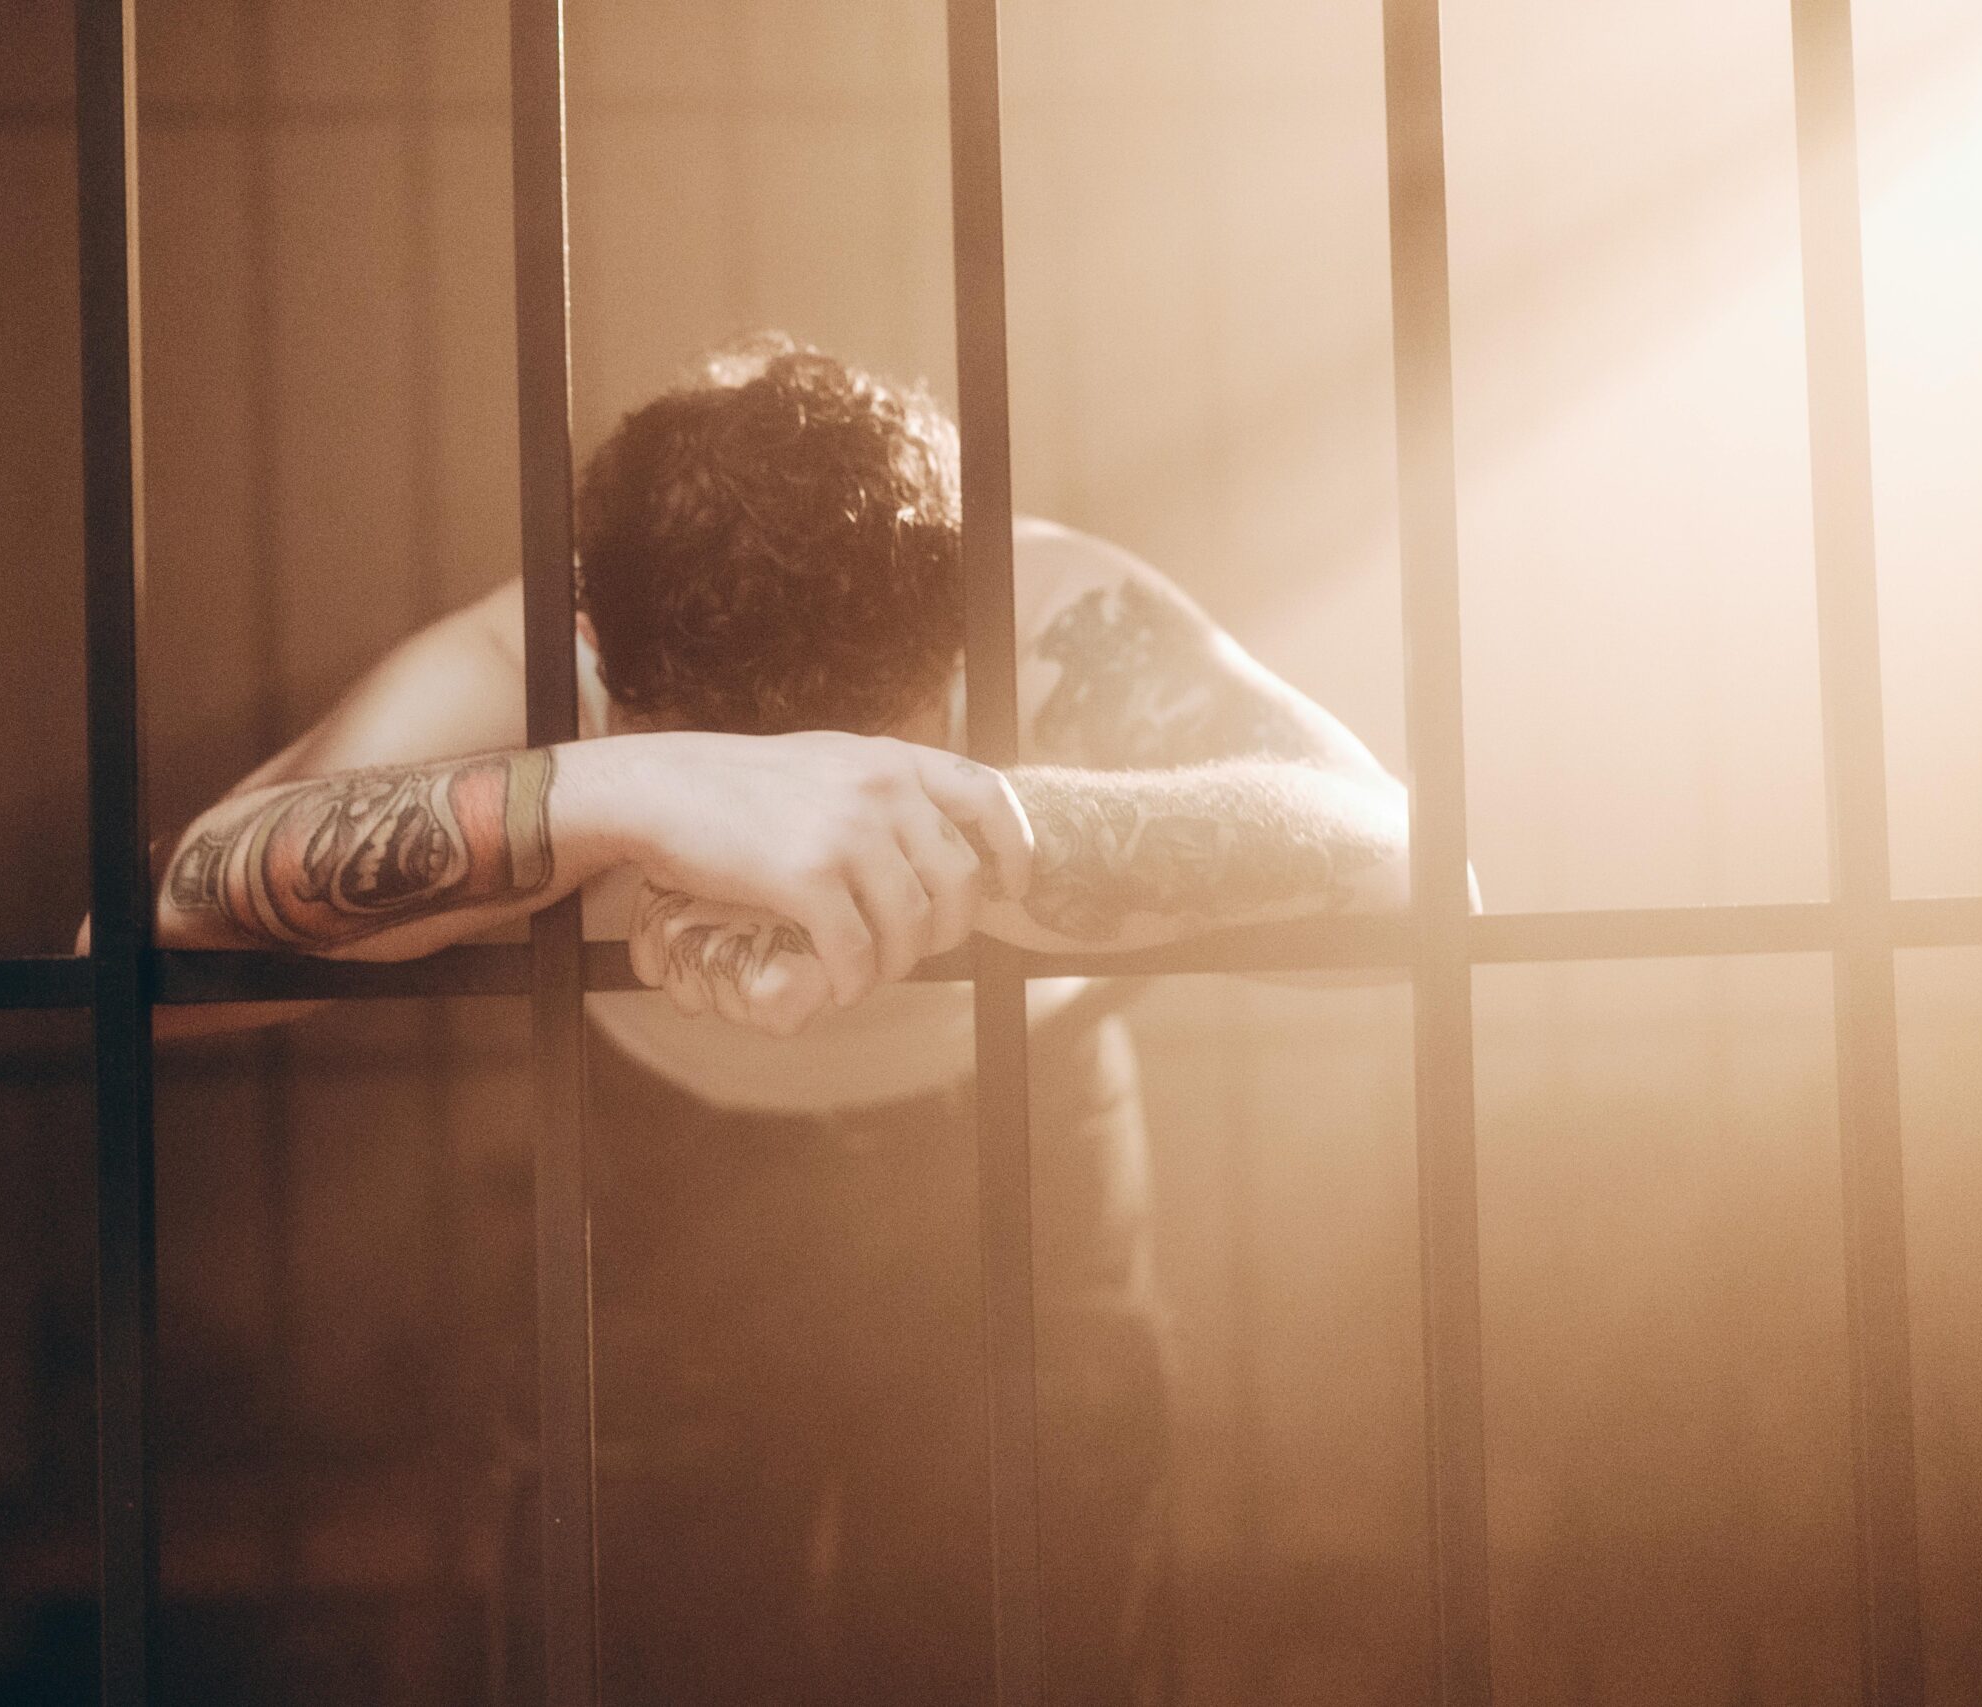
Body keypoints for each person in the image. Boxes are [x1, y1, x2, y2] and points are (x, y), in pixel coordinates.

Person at [139, 337, 1411, 1704]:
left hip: (1017, 1141)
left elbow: (1409, 873)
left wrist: (981, 833)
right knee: (635, 1650)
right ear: (603, 659)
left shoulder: (1049, 612)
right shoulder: (541, 645)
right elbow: (138, 949)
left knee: (1027, 1648)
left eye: (872, 744)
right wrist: (615, 793)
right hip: (663, 1159)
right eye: (723, 775)